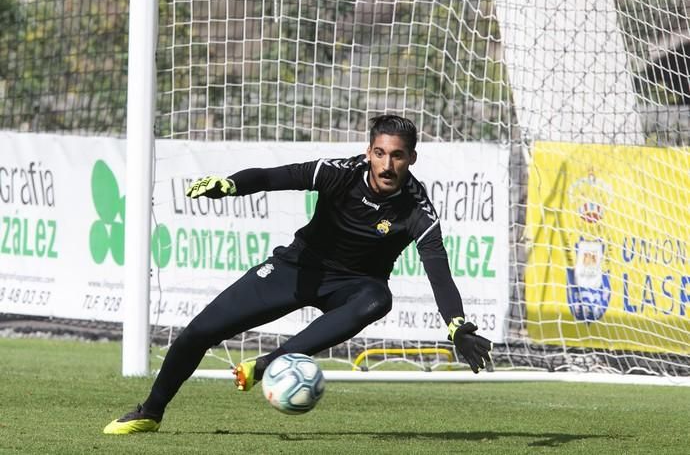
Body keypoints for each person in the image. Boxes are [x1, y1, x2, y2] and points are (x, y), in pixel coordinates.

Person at [103, 115, 492, 434]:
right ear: (368, 152)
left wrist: (457, 325)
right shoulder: (339, 173)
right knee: (199, 333)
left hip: (354, 287)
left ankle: (269, 362)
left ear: (412, 159)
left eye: (397, 156)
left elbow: (438, 271)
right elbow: (275, 177)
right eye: (379, 153)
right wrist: (232, 185)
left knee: (378, 299)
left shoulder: (417, 210)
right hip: (297, 268)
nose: (387, 165)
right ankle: (150, 412)